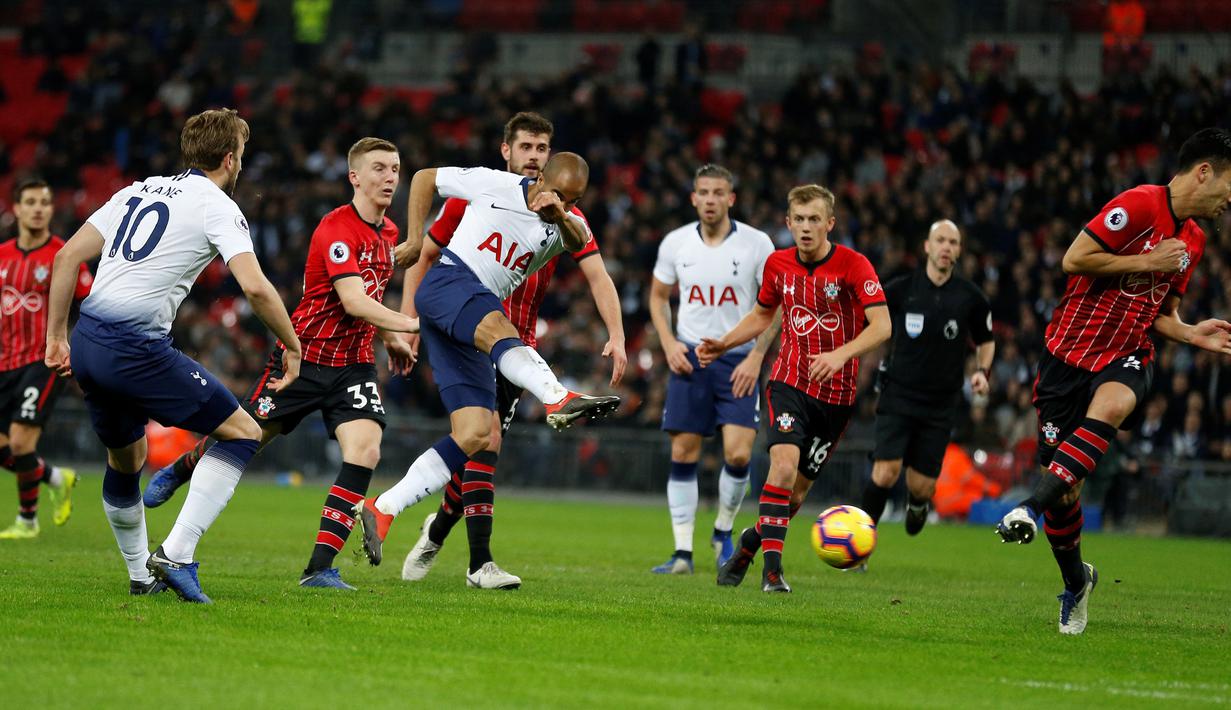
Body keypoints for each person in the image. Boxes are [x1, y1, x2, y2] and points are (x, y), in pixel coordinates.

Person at [44, 108, 303, 603]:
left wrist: (57, 338)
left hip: (88, 342)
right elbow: (255, 287)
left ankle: (141, 575)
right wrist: (292, 345)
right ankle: (176, 555)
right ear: (230, 158)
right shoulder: (217, 205)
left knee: (128, 459)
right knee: (245, 432)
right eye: (242, 156)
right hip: (133, 348)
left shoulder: (134, 190)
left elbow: (66, 257)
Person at [140, 137, 418, 591]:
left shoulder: (388, 235)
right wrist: (412, 325)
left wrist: (390, 337)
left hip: (353, 366)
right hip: (302, 359)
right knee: (245, 440)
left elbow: (369, 297)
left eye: (395, 168)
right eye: (380, 168)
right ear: (355, 176)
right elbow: (351, 300)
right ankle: (186, 465)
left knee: (365, 451)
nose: (390, 177)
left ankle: (319, 569)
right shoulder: (336, 228)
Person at [996, 127, 1231, 634]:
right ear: (1204, 172)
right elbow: (1073, 259)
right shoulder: (1141, 205)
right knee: (1067, 491)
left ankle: (1027, 509)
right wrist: (1148, 258)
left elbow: (1160, 313)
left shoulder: (1194, 240)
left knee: (1115, 405)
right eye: (1229, 184)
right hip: (1066, 358)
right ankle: (1077, 583)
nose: (1230, 199)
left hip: (1125, 355)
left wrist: (1190, 334)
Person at [353, 152, 621, 588]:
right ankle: (557, 396)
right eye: (562, 194)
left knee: (476, 433)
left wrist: (562, 212)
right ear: (541, 179)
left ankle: (383, 508)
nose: (568, 205)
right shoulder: (494, 184)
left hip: (463, 318)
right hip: (450, 283)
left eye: (577, 199)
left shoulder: (569, 223)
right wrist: (418, 238)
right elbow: (423, 177)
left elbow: (577, 240)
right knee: (501, 325)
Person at [698, 185, 891, 592]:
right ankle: (773, 573)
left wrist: (841, 355)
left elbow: (883, 326)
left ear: (830, 224)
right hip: (789, 384)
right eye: (799, 220)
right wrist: (725, 342)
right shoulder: (778, 265)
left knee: (794, 498)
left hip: (836, 399)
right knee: (781, 468)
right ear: (788, 223)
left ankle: (750, 543)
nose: (806, 228)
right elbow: (761, 314)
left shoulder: (855, 266)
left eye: (814, 220)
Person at [647, 164, 776, 574]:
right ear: (693, 197)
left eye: (718, 192)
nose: (710, 200)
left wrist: (756, 357)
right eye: (703, 192)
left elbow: (773, 307)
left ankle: (722, 530)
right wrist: (668, 344)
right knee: (683, 450)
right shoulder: (675, 243)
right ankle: (682, 552)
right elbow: (657, 296)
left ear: (731, 198)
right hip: (690, 357)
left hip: (737, 360)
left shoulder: (757, 244)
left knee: (738, 453)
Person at [860, 220, 994, 546]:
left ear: (959, 250)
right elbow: (869, 317)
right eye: (941, 241)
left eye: (953, 242)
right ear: (927, 247)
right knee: (885, 472)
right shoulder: (902, 289)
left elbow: (987, 340)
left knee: (921, 486)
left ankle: (918, 504)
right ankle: (860, 541)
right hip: (898, 394)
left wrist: (982, 372)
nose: (947, 247)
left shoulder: (970, 297)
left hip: (940, 404)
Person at [0, 179, 92, 539]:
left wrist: (79, 345)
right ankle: (56, 477)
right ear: (17, 209)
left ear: (52, 210)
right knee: (6, 449)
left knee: (22, 443)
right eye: (31, 202)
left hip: (43, 360)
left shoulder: (63, 256)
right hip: (3, 361)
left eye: (45, 202)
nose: (38, 208)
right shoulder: (3, 255)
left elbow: (92, 299)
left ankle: (27, 520)